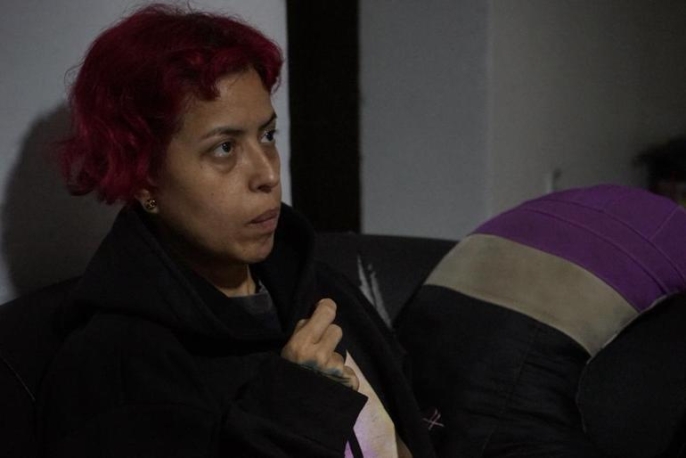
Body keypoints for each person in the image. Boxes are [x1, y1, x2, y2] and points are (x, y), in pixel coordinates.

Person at [36, 4, 435, 458]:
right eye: (224, 148)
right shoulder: (117, 368)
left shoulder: (317, 287)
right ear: (143, 175)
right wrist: (295, 406)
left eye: (267, 136)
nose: (267, 174)